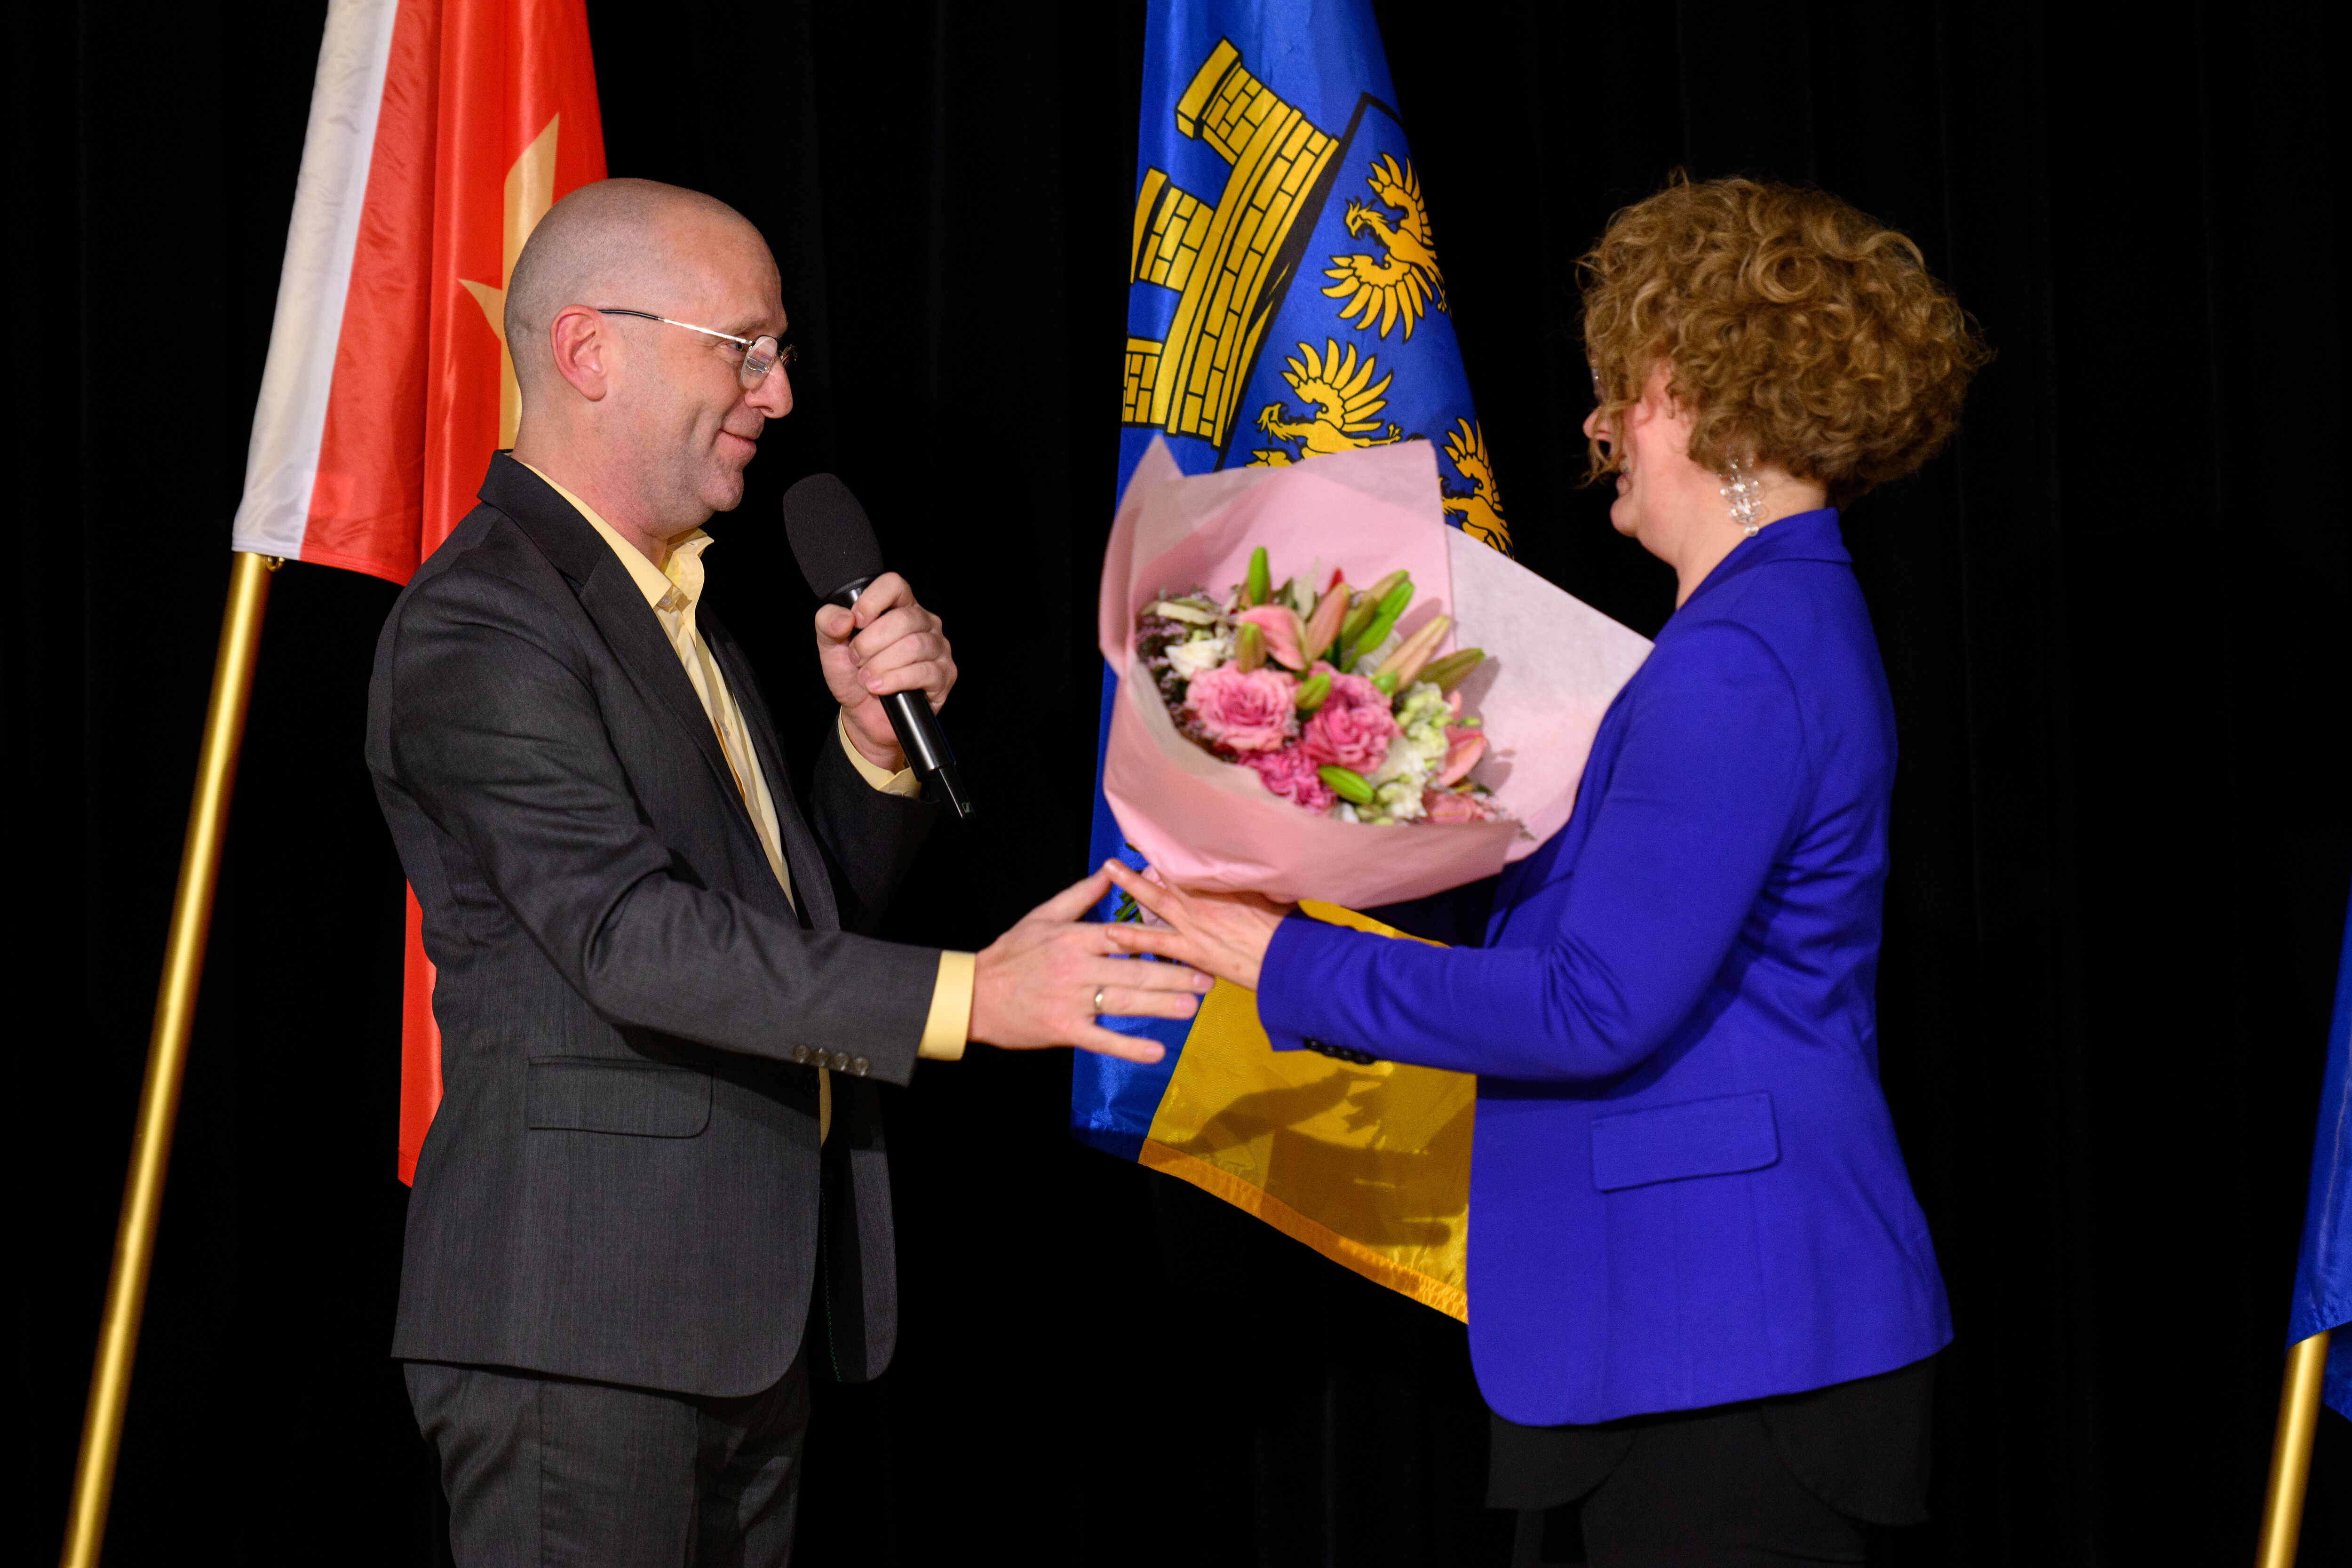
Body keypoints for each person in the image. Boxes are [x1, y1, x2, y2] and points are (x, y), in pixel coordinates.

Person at [1108, 175, 1990, 1566]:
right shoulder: (1773, 622)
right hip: (1677, 1331)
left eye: (1618, 388)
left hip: (1726, 1340)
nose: (1598, 427)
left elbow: (1591, 1005)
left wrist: (1280, 956)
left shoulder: (1739, 657)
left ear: (1689, 386)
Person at [366, 178, 1203, 1566]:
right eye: (743, 348)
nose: (781, 392)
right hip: (582, 1331)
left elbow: (781, 927)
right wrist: (973, 997)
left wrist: (869, 756)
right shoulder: (483, 622)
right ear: (589, 350)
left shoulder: (680, 610)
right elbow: (632, 939)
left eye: (781, 350)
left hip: (735, 1323)